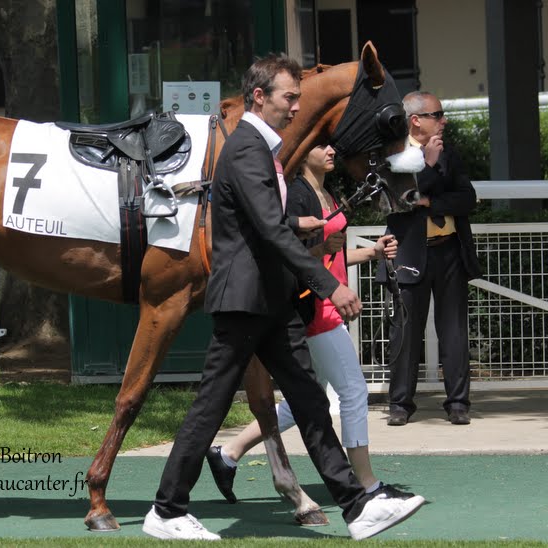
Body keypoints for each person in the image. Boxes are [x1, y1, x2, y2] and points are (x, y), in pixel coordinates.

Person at [141, 53, 425, 541]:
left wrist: (299, 223)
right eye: (288, 97)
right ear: (259, 97)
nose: (297, 107)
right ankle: (166, 511)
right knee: (211, 405)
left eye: (297, 96)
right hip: (246, 298)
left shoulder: (260, 149)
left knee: (311, 401)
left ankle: (357, 507)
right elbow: (267, 229)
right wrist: (330, 283)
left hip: (268, 299)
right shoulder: (249, 148)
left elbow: (261, 219)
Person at [205, 144, 414, 502]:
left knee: (306, 398)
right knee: (353, 391)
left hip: (326, 304)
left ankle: (228, 453)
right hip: (314, 309)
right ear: (302, 156)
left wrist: (373, 252)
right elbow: (291, 257)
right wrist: (327, 253)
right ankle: (367, 484)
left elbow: (332, 255)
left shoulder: (327, 193)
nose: (332, 149)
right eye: (322, 145)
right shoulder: (298, 197)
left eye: (333, 145)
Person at [378, 91, 481, 427]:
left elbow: (467, 198)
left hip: (450, 248)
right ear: (416, 120)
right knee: (406, 330)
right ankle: (400, 404)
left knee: (454, 330)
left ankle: (458, 403)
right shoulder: (393, 152)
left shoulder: (447, 149)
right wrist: (431, 164)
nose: (444, 121)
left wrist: (429, 202)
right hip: (409, 251)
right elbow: (398, 198)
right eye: (438, 114)